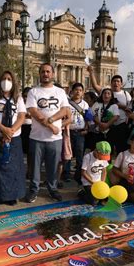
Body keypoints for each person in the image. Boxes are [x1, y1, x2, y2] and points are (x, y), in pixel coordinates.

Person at [25, 63, 69, 203]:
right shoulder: (34, 92)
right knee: (35, 167)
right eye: (43, 71)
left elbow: (65, 110)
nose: (45, 74)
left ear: (53, 74)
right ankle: (33, 190)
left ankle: (52, 189)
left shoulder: (60, 92)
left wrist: (51, 120)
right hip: (37, 137)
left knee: (53, 166)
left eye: (48, 71)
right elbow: (34, 112)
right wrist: (52, 126)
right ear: (40, 74)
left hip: (55, 138)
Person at [0, 71, 26, 206]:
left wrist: (11, 131)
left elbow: (21, 116)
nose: (6, 81)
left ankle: (11, 196)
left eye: (9, 79)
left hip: (14, 138)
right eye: (4, 78)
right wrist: (3, 129)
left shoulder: (18, 98)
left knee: (12, 168)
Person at [89, 66, 132, 153]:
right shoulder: (106, 91)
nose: (116, 83)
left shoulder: (125, 93)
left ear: (121, 83)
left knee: (121, 148)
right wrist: (91, 72)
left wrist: (121, 106)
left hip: (121, 124)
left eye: (118, 81)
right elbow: (95, 85)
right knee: (107, 148)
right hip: (107, 127)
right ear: (111, 83)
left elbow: (129, 108)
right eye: (114, 81)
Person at [64, 83, 90, 185]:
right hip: (68, 132)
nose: (78, 92)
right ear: (72, 91)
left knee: (79, 154)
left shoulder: (85, 104)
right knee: (67, 154)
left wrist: (86, 129)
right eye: (76, 90)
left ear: (82, 92)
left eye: (80, 90)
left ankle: (78, 174)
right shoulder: (66, 103)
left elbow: (88, 118)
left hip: (80, 132)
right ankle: (66, 173)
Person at [78, 141, 111, 205]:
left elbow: (104, 171)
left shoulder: (103, 159)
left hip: (99, 183)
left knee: (106, 198)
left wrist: (102, 183)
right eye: (101, 156)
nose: (102, 159)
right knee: (93, 201)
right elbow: (83, 172)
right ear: (97, 152)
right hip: (89, 183)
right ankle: (81, 193)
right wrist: (93, 183)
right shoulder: (88, 157)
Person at [21, 87, 33, 178]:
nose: (26, 98)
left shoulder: (34, 105)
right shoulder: (20, 104)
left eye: (28, 96)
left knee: (30, 152)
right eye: (24, 96)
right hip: (21, 129)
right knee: (20, 151)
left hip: (31, 128)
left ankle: (29, 171)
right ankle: (20, 170)